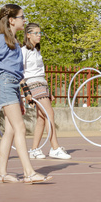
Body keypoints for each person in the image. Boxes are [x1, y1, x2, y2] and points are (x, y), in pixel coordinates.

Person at [0, 4, 52, 184]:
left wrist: (20, 96)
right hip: (4, 84)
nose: (24, 20)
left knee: (11, 130)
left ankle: (1, 173)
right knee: (20, 128)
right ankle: (29, 172)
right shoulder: (1, 39)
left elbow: (17, 73)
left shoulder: (14, 42)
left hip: (12, 86)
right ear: (12, 20)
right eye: (22, 17)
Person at [21, 23, 71, 160]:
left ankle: (34, 149)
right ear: (28, 35)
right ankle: (55, 148)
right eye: (36, 33)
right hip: (32, 84)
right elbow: (20, 73)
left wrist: (48, 91)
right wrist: (26, 92)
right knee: (49, 113)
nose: (39, 35)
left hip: (41, 83)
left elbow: (40, 72)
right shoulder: (23, 51)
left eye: (40, 33)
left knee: (42, 118)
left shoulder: (37, 51)